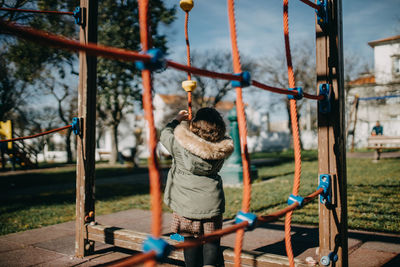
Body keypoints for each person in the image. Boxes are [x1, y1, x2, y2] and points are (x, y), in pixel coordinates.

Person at [160, 107, 234, 267]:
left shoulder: (179, 146)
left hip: (185, 207)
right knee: (212, 241)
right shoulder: (220, 150)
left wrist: (178, 120)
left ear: (194, 127)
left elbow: (165, 134)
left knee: (189, 241)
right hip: (211, 206)